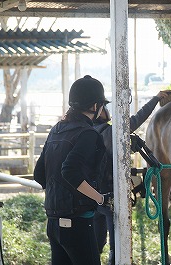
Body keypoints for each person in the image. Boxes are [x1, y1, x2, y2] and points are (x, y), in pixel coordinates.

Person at [34, 75, 113, 265]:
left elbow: (39, 174)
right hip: (78, 222)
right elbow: (69, 171)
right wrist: (101, 198)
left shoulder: (56, 129)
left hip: (53, 222)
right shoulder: (88, 133)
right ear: (95, 106)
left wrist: (60, 194)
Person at [93, 89, 171, 265]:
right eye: (104, 107)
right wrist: (155, 99)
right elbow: (137, 119)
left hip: (90, 198)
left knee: (96, 246)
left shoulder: (85, 131)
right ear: (98, 109)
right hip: (108, 197)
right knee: (117, 246)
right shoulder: (109, 133)